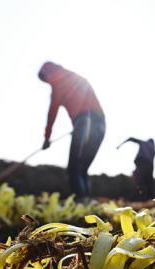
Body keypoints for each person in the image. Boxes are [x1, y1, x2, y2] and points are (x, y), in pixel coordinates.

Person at [38, 62, 105, 199]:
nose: (48, 82)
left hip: (83, 122)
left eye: (45, 78)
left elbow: (51, 115)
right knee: (83, 168)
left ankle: (81, 203)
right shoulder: (77, 77)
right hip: (101, 124)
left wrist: (46, 138)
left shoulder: (57, 87)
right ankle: (87, 203)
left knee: (74, 168)